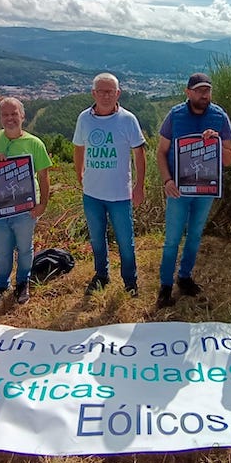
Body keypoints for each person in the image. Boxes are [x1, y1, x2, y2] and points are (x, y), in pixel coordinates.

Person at [156, 72, 231, 308]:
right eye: (199, 90)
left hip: (205, 190)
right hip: (178, 190)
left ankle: (185, 277)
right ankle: (165, 286)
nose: (204, 95)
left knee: (195, 235)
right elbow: (161, 152)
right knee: (172, 240)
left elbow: (229, 159)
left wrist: (217, 142)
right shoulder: (175, 115)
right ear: (188, 92)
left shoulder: (219, 116)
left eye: (207, 90)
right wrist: (167, 181)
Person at [0, 97, 52, 306]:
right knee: (3, 251)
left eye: (14, 114)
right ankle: (1, 285)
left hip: (26, 210)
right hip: (1, 211)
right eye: (5, 115)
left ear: (22, 116)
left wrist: (42, 204)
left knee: (25, 249)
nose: (10, 118)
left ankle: (23, 283)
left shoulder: (34, 143)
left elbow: (44, 176)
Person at [73, 72, 147, 297]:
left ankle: (130, 281)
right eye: (101, 91)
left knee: (125, 241)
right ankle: (101, 275)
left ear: (118, 93)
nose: (106, 96)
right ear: (93, 93)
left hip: (120, 194)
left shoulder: (128, 119)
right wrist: (80, 174)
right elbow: (78, 148)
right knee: (97, 238)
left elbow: (139, 153)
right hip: (92, 193)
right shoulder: (84, 118)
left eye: (110, 91)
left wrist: (139, 186)